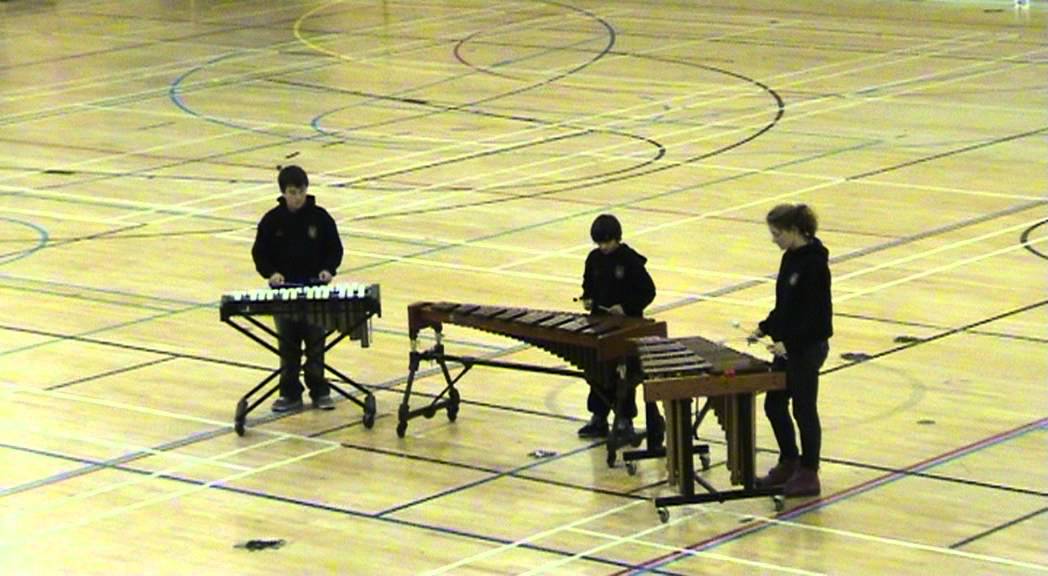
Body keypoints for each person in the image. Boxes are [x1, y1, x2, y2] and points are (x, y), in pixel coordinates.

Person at [749, 203, 832, 497]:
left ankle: (809, 472)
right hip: (787, 349)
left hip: (807, 349)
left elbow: (818, 320)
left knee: (804, 409)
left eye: (777, 233)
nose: (774, 239)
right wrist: (765, 326)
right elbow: (785, 306)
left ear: (795, 231)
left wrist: (791, 343)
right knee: (774, 405)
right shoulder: (790, 259)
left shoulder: (815, 265)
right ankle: (790, 460)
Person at [251, 165, 344, 413]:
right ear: (284, 193)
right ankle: (290, 393)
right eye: (292, 192)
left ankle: (320, 390)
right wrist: (271, 273)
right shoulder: (272, 221)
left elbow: (335, 248)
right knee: (288, 346)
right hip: (285, 294)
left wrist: (328, 269)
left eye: (301, 191)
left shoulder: (321, 218)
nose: (298, 197)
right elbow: (259, 253)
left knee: (316, 345)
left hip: (314, 292)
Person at [577, 214, 657, 441]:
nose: (602, 247)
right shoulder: (593, 258)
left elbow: (648, 292)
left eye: (606, 242)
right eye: (599, 242)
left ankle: (624, 420)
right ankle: (598, 417)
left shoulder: (630, 260)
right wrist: (588, 299)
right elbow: (587, 286)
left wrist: (625, 307)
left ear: (616, 238)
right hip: (599, 325)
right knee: (596, 371)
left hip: (626, 327)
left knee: (624, 374)